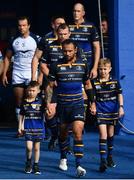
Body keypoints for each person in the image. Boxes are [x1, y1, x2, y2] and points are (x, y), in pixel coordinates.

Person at [46, 39, 96, 177]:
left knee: (77, 131)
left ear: (75, 50)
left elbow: (87, 84)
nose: (67, 53)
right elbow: (50, 86)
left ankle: (79, 165)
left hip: (78, 105)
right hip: (62, 105)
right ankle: (63, 157)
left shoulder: (83, 64)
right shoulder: (56, 65)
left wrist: (92, 102)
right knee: (63, 134)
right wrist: (49, 103)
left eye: (70, 50)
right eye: (64, 51)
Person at [32, 23, 71, 151]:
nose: (63, 36)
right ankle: (54, 136)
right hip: (51, 85)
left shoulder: (75, 48)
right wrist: (53, 78)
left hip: (68, 86)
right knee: (49, 113)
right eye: (60, 34)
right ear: (56, 33)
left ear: (69, 34)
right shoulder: (50, 46)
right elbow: (42, 65)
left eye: (65, 34)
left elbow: (80, 66)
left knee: (67, 115)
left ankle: (66, 143)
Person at [2, 16, 40, 137]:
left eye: (24, 25)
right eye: (19, 25)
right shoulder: (13, 39)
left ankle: (32, 127)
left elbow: (40, 57)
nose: (21, 28)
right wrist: (4, 74)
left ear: (28, 26)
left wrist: (37, 76)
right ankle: (21, 129)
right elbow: (7, 58)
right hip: (17, 73)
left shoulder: (36, 39)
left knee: (32, 101)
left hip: (31, 73)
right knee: (19, 102)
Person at [93, 58, 124, 172]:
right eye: (100, 69)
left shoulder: (115, 81)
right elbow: (93, 97)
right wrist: (93, 105)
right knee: (103, 135)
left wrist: (121, 107)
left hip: (112, 111)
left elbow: (119, 94)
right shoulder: (95, 82)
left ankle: (110, 156)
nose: (103, 71)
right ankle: (102, 161)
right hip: (101, 111)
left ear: (110, 69)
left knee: (110, 134)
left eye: (105, 69)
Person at [18, 81, 45, 174]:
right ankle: (28, 162)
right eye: (29, 90)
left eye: (33, 90)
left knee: (37, 148)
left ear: (38, 91)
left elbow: (47, 112)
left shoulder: (42, 101)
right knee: (29, 147)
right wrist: (19, 126)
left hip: (39, 128)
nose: (31, 92)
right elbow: (21, 115)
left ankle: (36, 165)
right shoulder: (24, 102)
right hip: (28, 128)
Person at [69, 2, 100, 79]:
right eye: (74, 11)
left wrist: (95, 68)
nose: (76, 13)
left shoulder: (91, 26)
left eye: (78, 11)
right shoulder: (68, 26)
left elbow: (97, 47)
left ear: (83, 13)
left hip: (88, 63)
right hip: (72, 63)